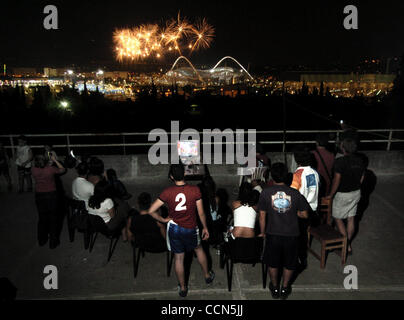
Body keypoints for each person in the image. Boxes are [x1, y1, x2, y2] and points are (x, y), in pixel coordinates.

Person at [147, 164, 214, 298]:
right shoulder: (195, 190)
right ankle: (207, 275)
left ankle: (183, 288)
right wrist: (205, 227)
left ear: (171, 177)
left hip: (174, 228)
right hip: (191, 227)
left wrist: (163, 219)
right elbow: (201, 213)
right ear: (185, 174)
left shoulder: (167, 192)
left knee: (178, 258)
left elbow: (151, 210)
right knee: (199, 249)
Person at [258, 163, 310, 300]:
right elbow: (305, 214)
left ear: (271, 176)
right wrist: (294, 212)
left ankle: (274, 287)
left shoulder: (265, 193)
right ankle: (285, 287)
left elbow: (262, 216)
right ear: (287, 176)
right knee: (290, 262)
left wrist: (262, 233)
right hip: (292, 234)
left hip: (272, 234)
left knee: (273, 262)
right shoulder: (295, 194)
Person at [326, 138, 365, 255]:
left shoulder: (340, 162)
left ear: (343, 148)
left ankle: (345, 245)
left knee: (337, 218)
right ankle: (348, 244)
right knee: (351, 218)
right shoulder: (361, 161)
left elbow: (337, 180)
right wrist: (357, 186)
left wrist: (331, 195)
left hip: (342, 194)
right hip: (356, 192)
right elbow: (362, 176)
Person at [291, 147, 320, 269]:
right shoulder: (315, 173)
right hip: (313, 209)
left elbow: (292, 194)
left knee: (297, 236)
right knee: (303, 236)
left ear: (297, 161)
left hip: (301, 212)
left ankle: (297, 258)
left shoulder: (298, 175)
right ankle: (302, 257)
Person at [31, 154, 66, 249]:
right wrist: (55, 160)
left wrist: (48, 163)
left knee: (42, 218)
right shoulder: (50, 169)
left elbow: (42, 168)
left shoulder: (33, 169)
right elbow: (62, 169)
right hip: (51, 195)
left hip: (39, 195)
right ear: (46, 162)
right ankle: (53, 242)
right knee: (53, 218)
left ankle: (42, 240)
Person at [311, 133, 335, 197]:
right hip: (327, 183)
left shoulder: (312, 154)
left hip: (316, 183)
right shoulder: (331, 155)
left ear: (317, 142)